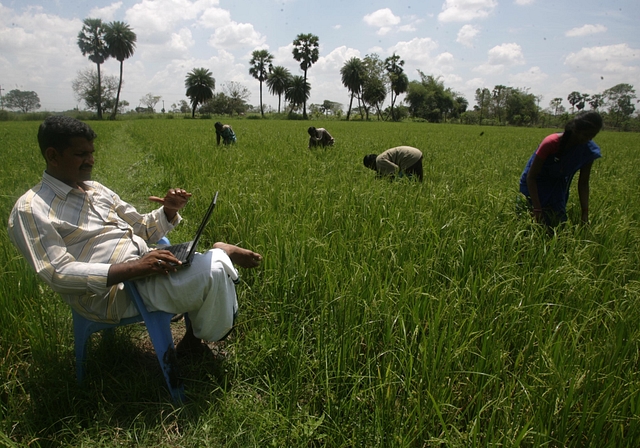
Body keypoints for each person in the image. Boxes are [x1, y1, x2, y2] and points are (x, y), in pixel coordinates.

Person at [8, 116, 262, 356]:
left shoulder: (95, 190)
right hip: (113, 293)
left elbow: (142, 227)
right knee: (215, 269)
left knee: (204, 265)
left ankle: (195, 331)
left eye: (91, 153)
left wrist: (169, 209)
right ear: (52, 155)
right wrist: (135, 268)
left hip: (145, 268)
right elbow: (58, 274)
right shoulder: (32, 208)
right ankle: (197, 331)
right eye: (80, 154)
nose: (90, 161)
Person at [519, 111, 603, 227]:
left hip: (557, 185)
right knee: (531, 219)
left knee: (558, 222)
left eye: (592, 135)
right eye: (586, 134)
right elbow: (531, 176)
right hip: (535, 183)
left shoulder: (588, 150)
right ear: (576, 129)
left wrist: (585, 213)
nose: (588, 139)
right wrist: (537, 208)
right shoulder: (551, 142)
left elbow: (583, 183)